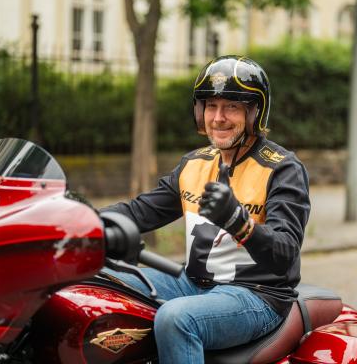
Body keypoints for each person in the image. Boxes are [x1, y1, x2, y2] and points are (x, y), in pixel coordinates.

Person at [102, 55, 310, 363]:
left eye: (232, 107)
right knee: (99, 281)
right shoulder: (195, 163)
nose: (218, 117)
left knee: (176, 319)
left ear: (254, 113)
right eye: (211, 106)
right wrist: (82, 218)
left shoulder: (282, 168)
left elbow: (285, 252)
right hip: (191, 282)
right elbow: (139, 211)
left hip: (257, 295)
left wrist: (240, 223)